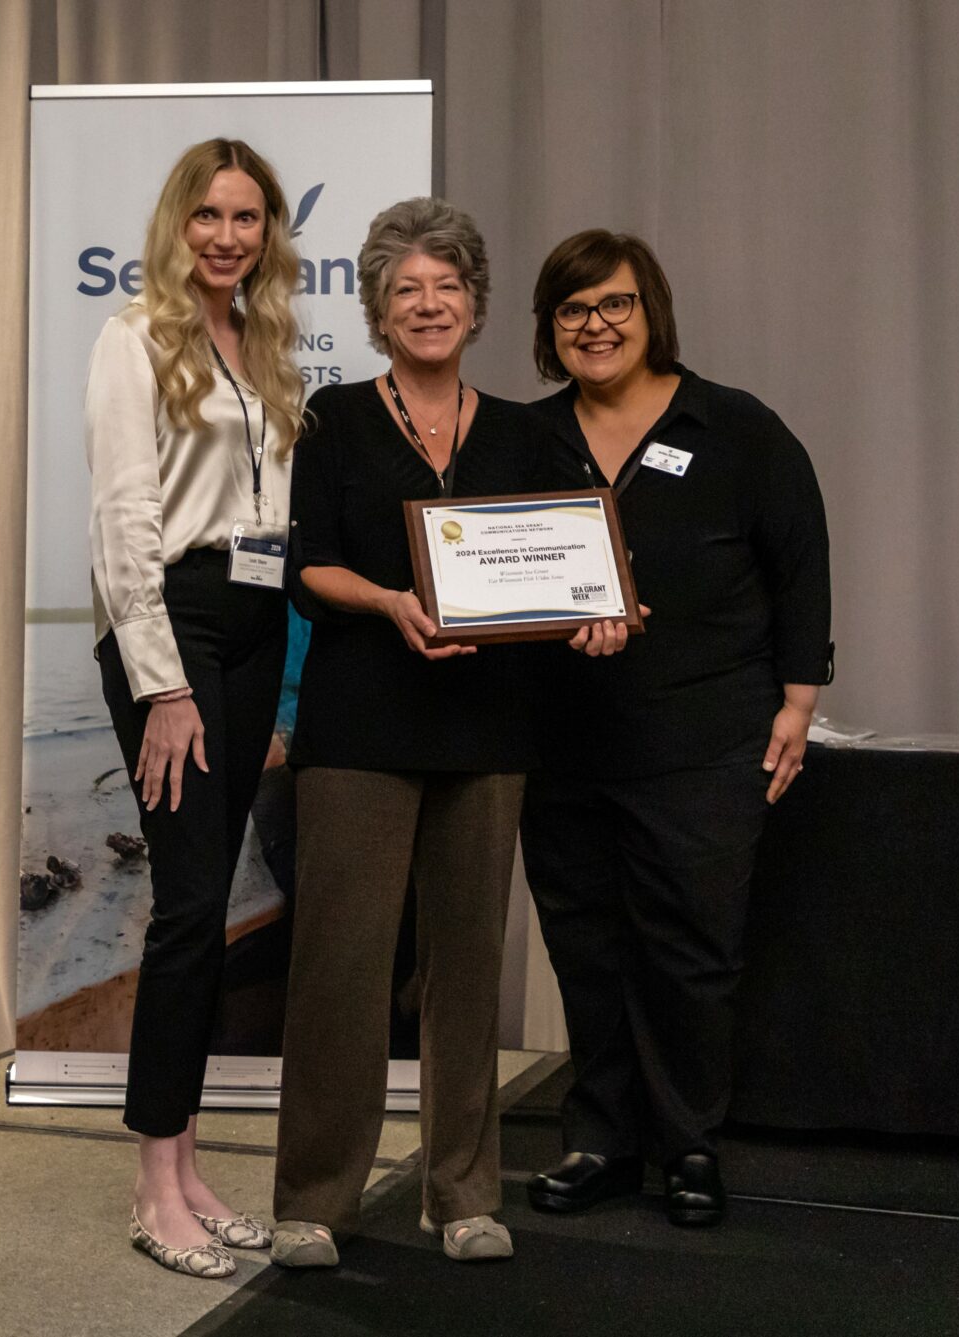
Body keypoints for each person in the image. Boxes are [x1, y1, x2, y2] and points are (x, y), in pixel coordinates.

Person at [269, 198, 631, 1269]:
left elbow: (578, 567)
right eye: (406, 290)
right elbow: (306, 565)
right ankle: (314, 1198)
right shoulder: (333, 418)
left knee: (469, 969)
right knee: (340, 969)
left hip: (487, 732)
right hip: (357, 730)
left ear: (474, 305)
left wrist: (603, 613)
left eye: (447, 287)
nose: (429, 305)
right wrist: (388, 601)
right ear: (380, 312)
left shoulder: (528, 432)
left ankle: (463, 1192)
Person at [518, 230, 832, 1228]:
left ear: (651, 311)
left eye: (613, 305)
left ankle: (690, 1142)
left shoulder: (737, 429)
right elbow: (491, 578)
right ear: (549, 330)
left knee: (691, 951)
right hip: (560, 744)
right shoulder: (524, 440)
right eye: (573, 311)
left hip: (705, 741)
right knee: (586, 947)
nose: (595, 326)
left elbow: (802, 563)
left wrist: (798, 700)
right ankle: (602, 1138)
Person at [85, 138, 306, 1279]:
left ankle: (184, 1160)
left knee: (211, 906)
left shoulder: (263, 344)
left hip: (257, 625)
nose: (230, 236)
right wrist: (163, 685)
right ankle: (148, 1182)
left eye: (250, 218)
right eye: (212, 215)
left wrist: (276, 686)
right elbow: (124, 522)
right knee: (184, 909)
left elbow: (276, 519)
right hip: (179, 624)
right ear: (180, 222)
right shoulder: (134, 341)